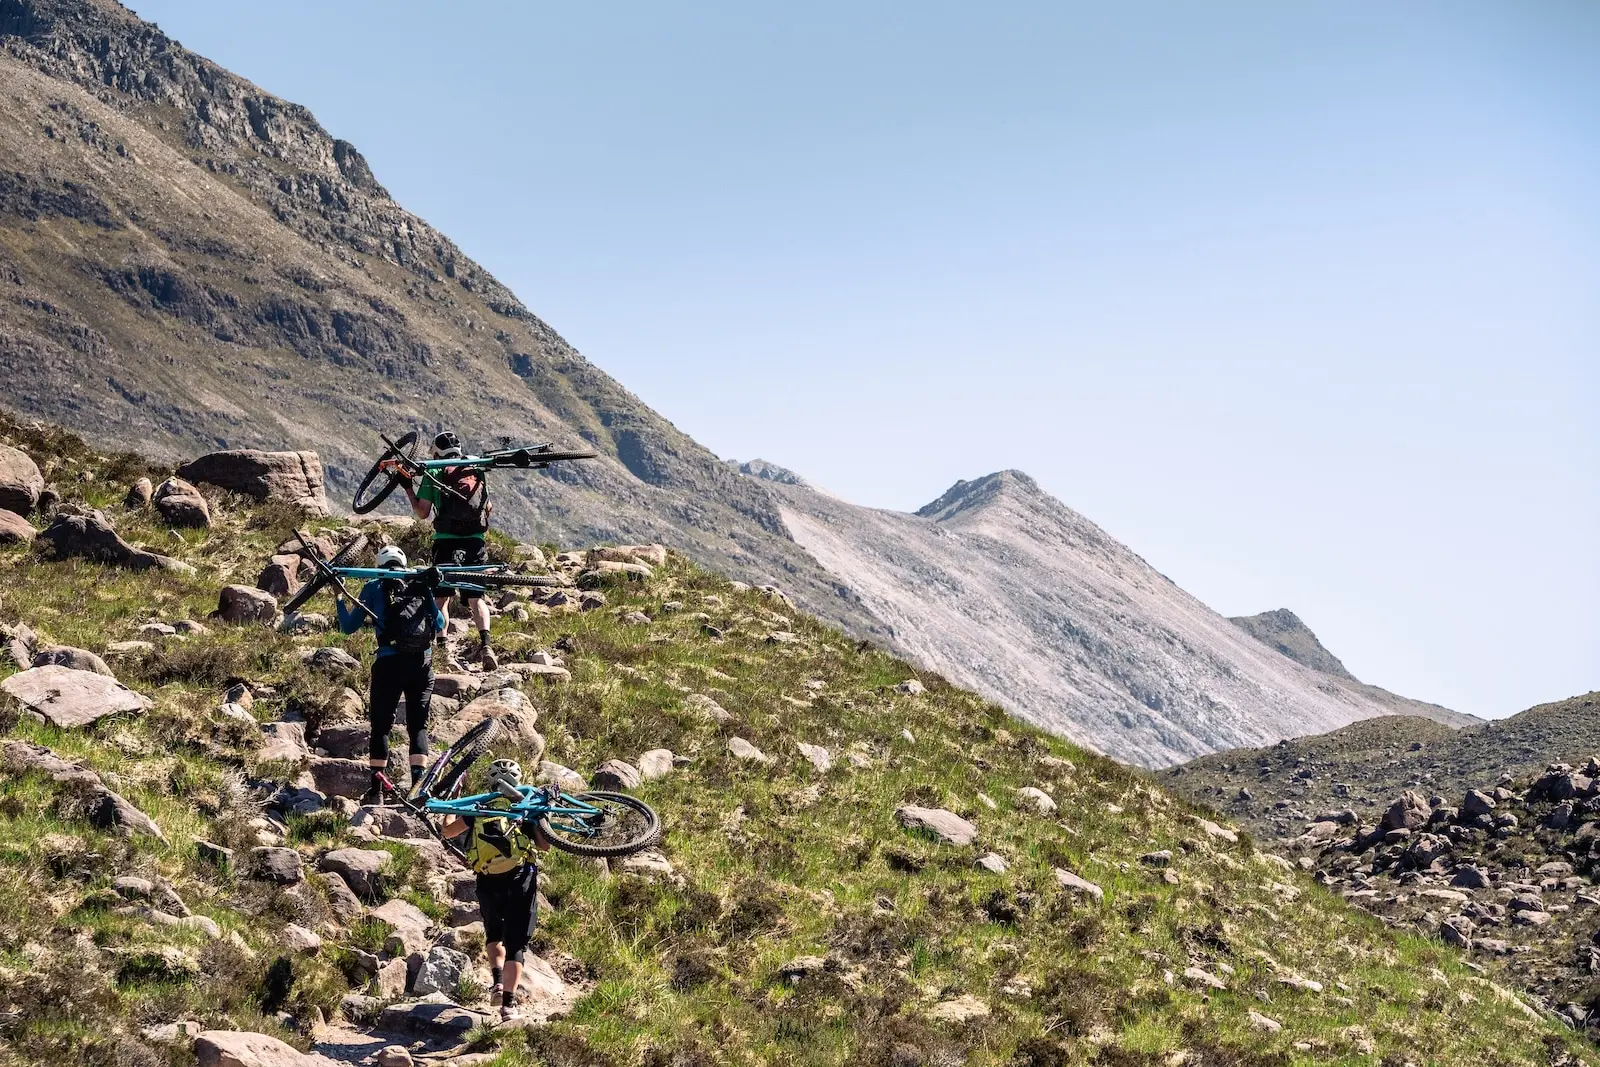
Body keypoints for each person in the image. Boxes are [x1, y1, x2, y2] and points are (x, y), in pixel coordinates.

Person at [439, 758, 550, 1021]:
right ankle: (508, 1006)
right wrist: (541, 816)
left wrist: (452, 805)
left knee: (494, 933)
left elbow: (447, 832)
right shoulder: (523, 807)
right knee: (516, 943)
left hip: (487, 878)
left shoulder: (480, 807)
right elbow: (545, 846)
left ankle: (498, 983)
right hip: (520, 877)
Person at [334, 545, 445, 805]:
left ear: (379, 565)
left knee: (381, 726)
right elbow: (440, 623)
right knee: (418, 726)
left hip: (389, 663)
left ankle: (376, 792)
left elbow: (348, 627)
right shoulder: (419, 583)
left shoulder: (373, 586)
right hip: (422, 664)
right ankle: (417, 789)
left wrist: (339, 597)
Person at [400, 430, 498, 670]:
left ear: (436, 452)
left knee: (441, 597)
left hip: (445, 541)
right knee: (476, 598)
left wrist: (409, 489)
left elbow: (422, 513)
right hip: (475, 541)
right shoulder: (474, 468)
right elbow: (488, 507)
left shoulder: (434, 471)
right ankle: (486, 645)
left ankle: (443, 648)